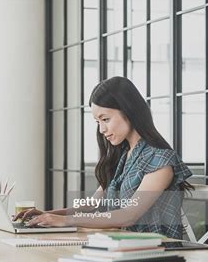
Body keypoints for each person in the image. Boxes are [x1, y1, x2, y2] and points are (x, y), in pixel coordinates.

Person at [13, 76, 193, 239]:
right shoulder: (122, 156)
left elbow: (129, 215)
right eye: (97, 122)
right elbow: (91, 205)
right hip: (119, 246)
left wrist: (64, 221)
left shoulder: (160, 160)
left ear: (129, 112)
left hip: (155, 254)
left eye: (105, 119)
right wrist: (47, 215)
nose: (101, 130)